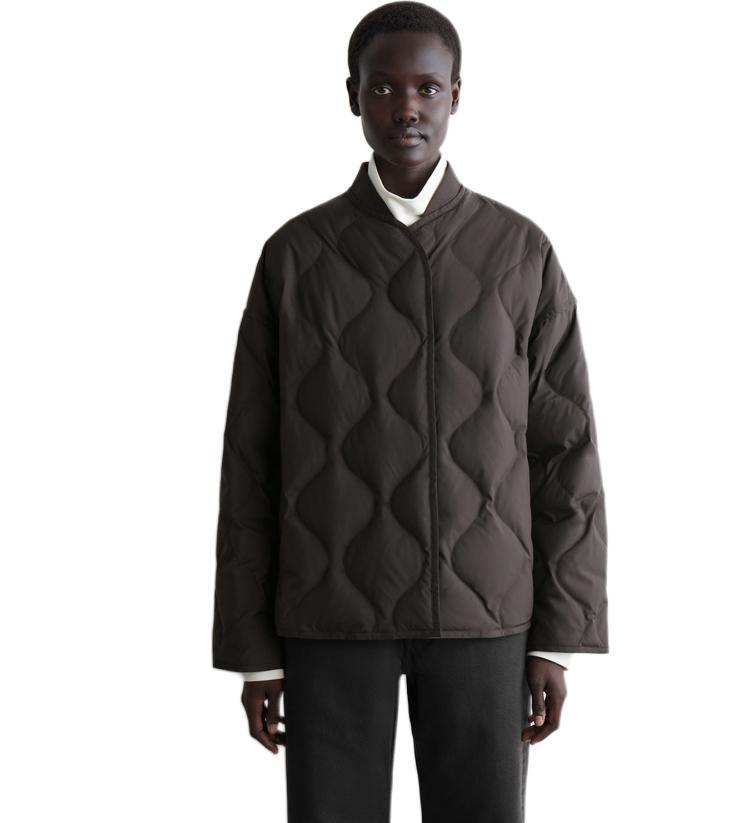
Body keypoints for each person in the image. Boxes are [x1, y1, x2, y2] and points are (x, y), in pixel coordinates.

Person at [212, 3, 608, 820]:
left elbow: (564, 452)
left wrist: (557, 636)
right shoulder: (295, 256)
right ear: (351, 96)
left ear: (456, 94)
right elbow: (251, 460)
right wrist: (254, 652)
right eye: (383, 87)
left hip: (485, 612)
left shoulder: (518, 252)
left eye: (427, 87)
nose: (405, 107)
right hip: (328, 611)